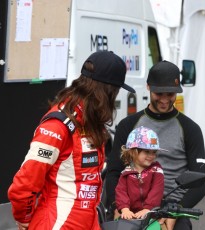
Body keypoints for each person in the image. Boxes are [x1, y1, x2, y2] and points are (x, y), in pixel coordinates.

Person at [7, 50, 135, 230]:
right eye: (116, 91)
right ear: (106, 91)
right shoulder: (57, 126)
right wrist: (25, 219)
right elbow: (24, 185)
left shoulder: (90, 121)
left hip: (87, 221)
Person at [105, 60, 205, 230]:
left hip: (172, 206)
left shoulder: (191, 129)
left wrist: (174, 212)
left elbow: (200, 183)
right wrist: (117, 205)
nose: (165, 99)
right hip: (129, 205)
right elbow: (114, 172)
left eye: (170, 94)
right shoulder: (128, 125)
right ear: (148, 87)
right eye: (159, 93)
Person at [115, 126, 165, 220]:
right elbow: (121, 192)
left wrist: (148, 208)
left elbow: (156, 191)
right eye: (146, 151)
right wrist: (124, 209)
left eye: (154, 152)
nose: (151, 156)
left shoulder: (157, 171)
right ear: (133, 152)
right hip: (130, 214)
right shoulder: (126, 173)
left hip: (152, 214)